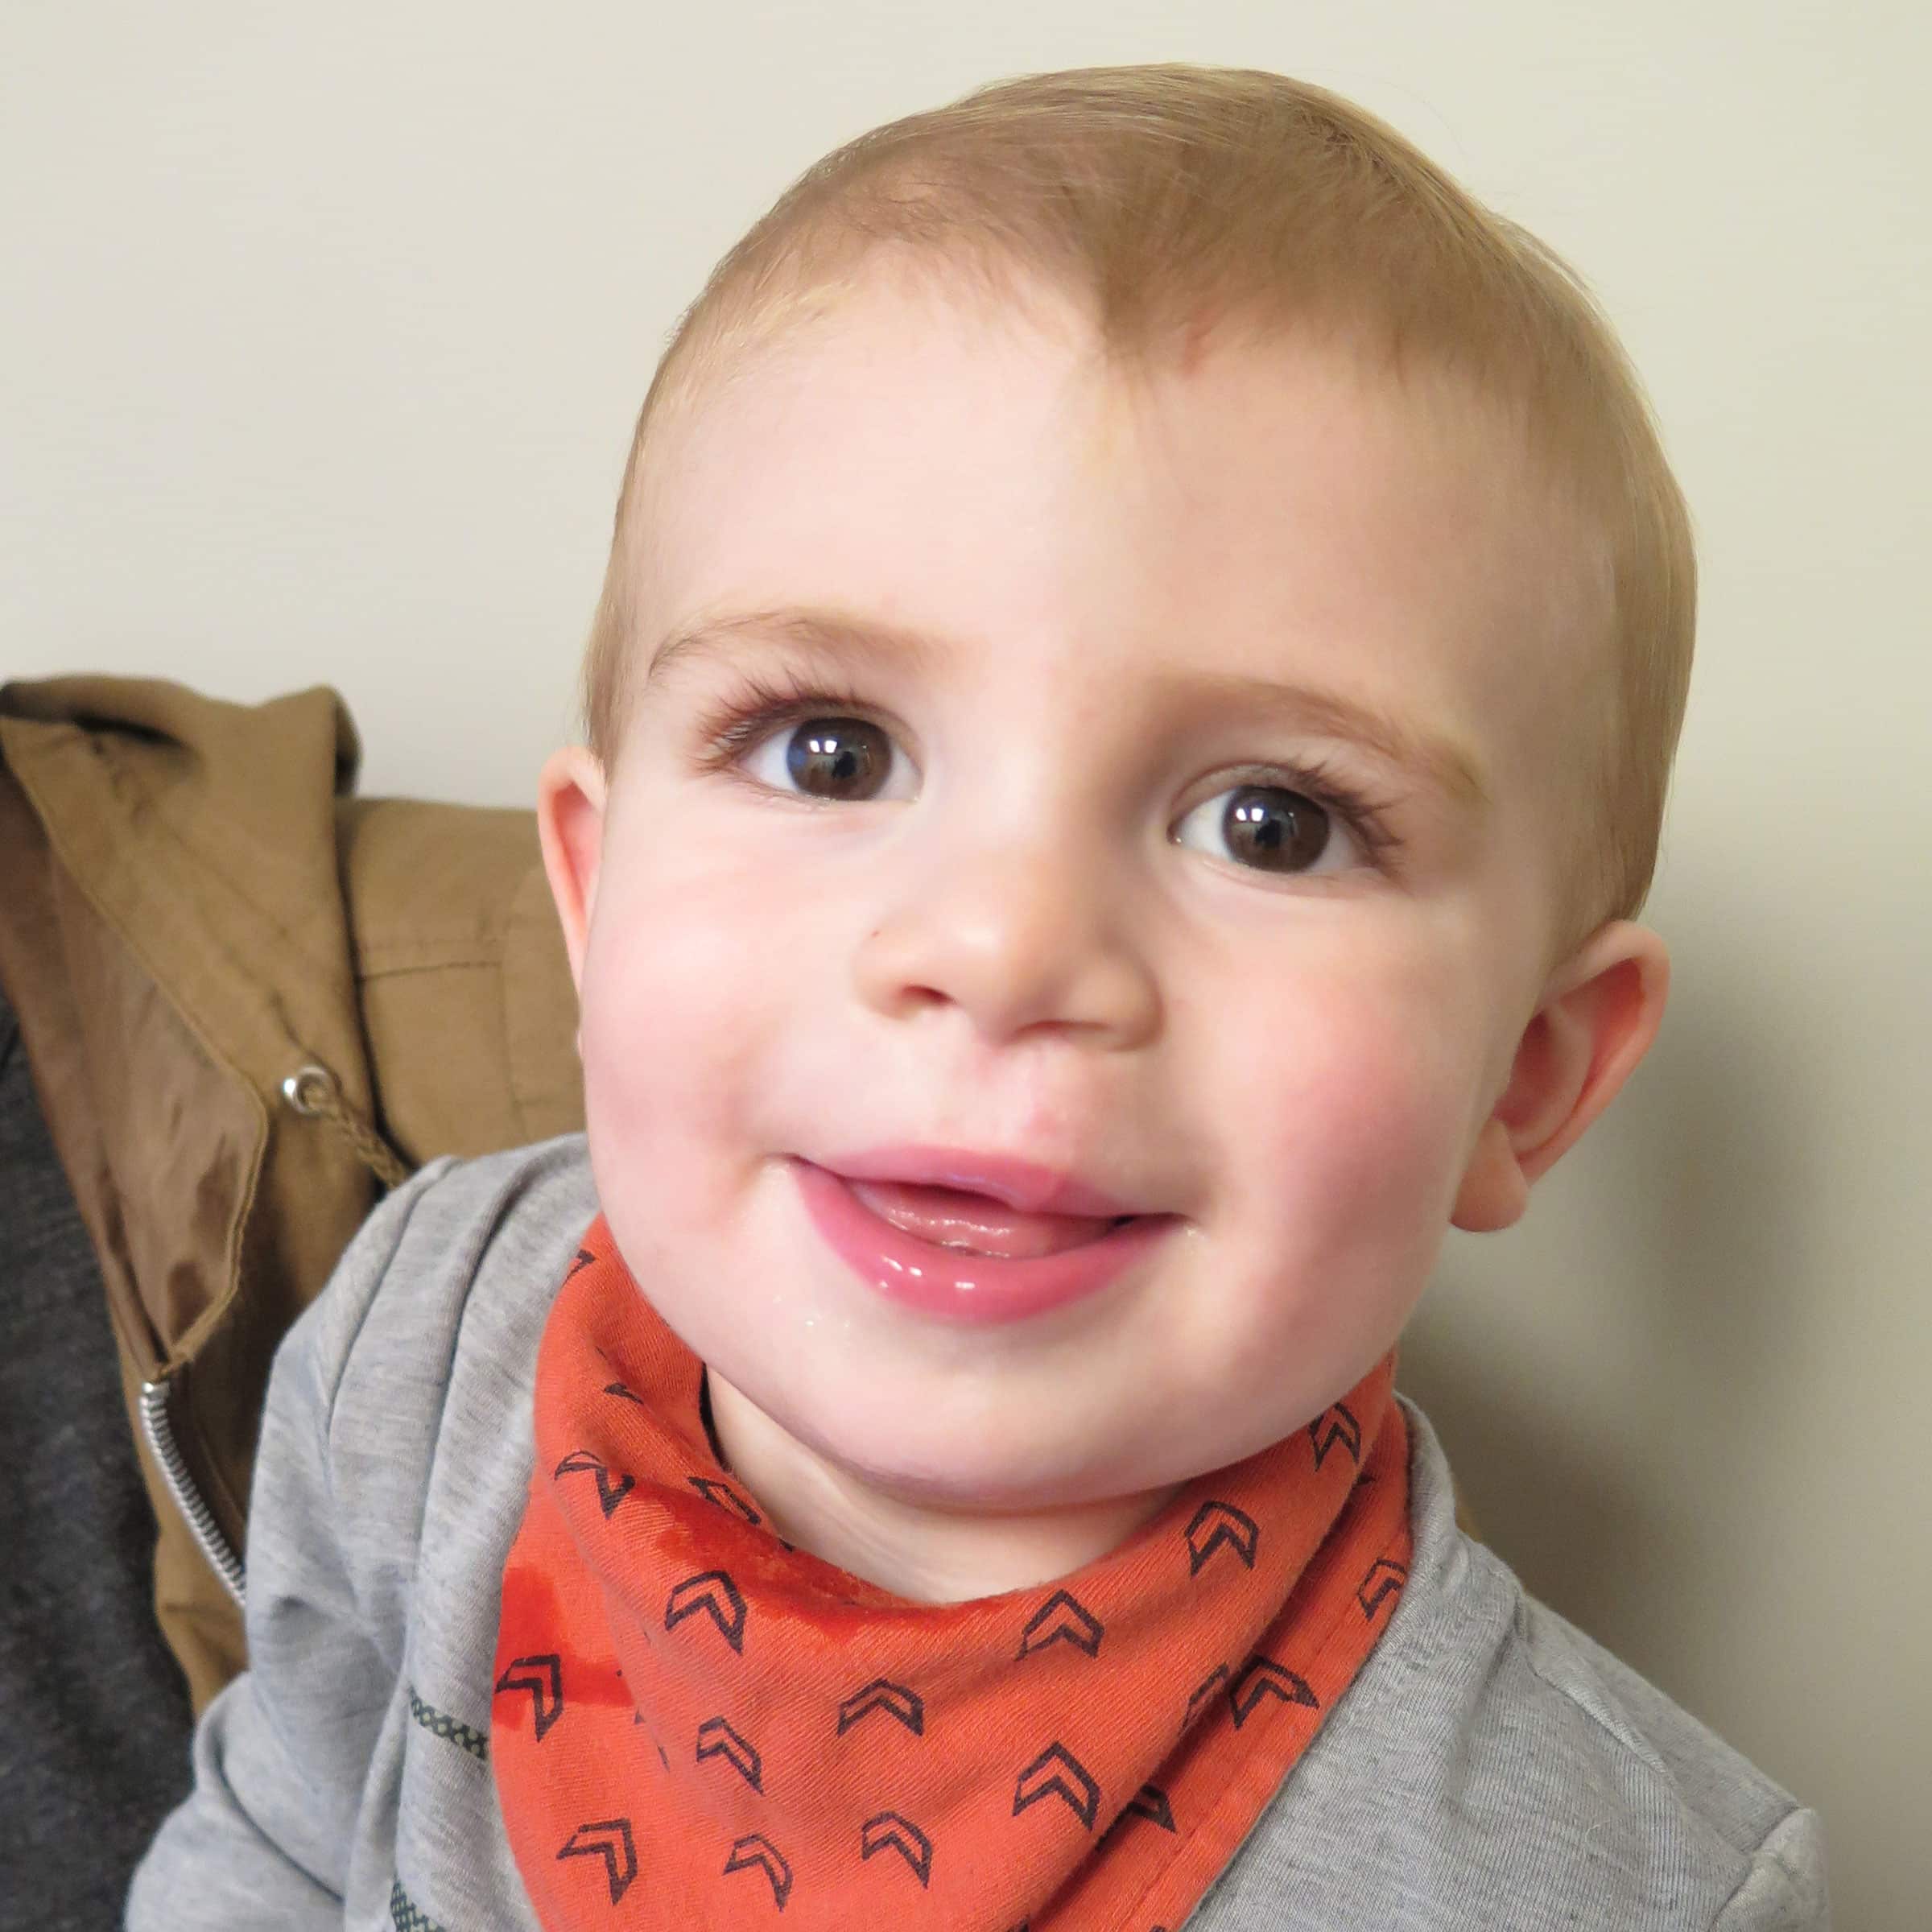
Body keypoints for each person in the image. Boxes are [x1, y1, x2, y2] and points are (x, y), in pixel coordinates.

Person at [127, 64, 1831, 1930]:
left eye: (1271, 824)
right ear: (597, 899)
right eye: (833, 752)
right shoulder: (425, 1335)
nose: (1006, 948)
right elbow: (282, 1829)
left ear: (1526, 1079)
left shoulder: (1607, 1885)